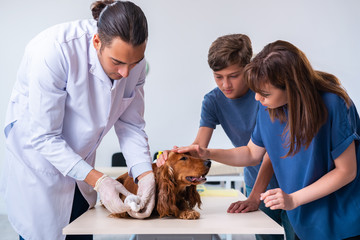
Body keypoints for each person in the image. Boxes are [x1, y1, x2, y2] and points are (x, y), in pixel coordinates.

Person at [174, 40, 360, 239]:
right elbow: (252, 153)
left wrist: (292, 199)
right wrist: (207, 153)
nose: (256, 99)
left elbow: (346, 171)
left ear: (292, 87)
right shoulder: (267, 108)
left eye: (264, 93)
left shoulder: (334, 103)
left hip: (343, 220)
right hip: (303, 219)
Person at [0, 1, 156, 240]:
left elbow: (131, 125)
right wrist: (101, 181)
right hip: (39, 165)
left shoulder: (134, 63)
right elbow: (45, 136)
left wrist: (145, 175)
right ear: (97, 42)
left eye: (133, 63)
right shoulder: (54, 51)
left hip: (82, 166)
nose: (126, 73)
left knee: (81, 230)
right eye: (117, 62)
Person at [157, 34, 297, 240]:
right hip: (255, 180)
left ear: (249, 68)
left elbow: (268, 152)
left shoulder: (267, 95)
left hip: (291, 182)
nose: (225, 84)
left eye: (233, 75)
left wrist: (254, 196)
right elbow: (199, 148)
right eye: (218, 76)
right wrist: (173, 156)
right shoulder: (212, 101)